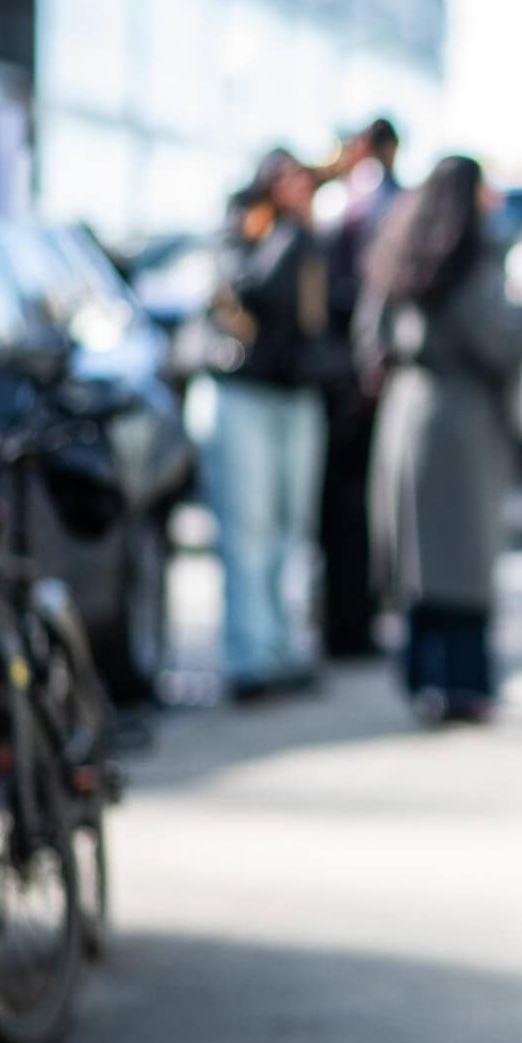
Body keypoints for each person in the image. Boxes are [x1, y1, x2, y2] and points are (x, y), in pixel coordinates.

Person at [356, 156, 522, 724]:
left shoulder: (399, 251)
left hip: (404, 411)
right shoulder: (470, 260)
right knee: (461, 557)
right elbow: (497, 340)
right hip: (458, 415)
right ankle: (463, 685)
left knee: (415, 556)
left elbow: (369, 338)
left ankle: (420, 677)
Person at [194, 148, 331, 699]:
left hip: (295, 395)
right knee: (247, 527)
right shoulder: (242, 232)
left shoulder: (307, 236)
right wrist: (290, 231)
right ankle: (249, 657)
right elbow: (257, 289)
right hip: (245, 393)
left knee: (288, 529)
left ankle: (282, 646)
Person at [319, 117, 402, 657]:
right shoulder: (341, 202)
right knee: (348, 508)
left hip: (351, 374)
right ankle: (347, 620)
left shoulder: (368, 202)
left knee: (355, 509)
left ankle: (353, 619)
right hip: (343, 374)